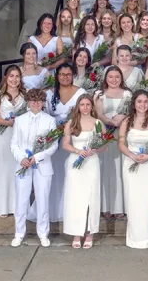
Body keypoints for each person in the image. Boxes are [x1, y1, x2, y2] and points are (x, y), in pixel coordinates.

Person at [10, 88, 58, 248]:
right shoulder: (20, 120)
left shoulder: (49, 120)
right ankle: (19, 233)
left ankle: (43, 233)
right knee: (21, 200)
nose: (36, 103)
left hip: (42, 165)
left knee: (42, 200)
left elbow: (53, 146)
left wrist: (37, 157)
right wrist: (21, 158)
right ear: (28, 102)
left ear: (42, 102)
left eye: (39, 100)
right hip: (23, 164)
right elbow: (14, 143)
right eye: (32, 100)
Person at [118, 90, 148, 249]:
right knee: (132, 199)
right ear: (134, 104)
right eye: (139, 101)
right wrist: (131, 155)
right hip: (130, 163)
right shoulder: (126, 122)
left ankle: (145, 238)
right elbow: (121, 143)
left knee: (147, 199)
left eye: (145, 102)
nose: (142, 105)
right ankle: (133, 238)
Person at [62, 94, 106, 249]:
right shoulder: (71, 123)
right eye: (82, 104)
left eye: (88, 104)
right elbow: (65, 144)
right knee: (75, 198)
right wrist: (77, 150)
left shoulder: (98, 123)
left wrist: (95, 149)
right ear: (78, 107)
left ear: (92, 107)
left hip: (91, 163)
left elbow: (104, 145)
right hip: (75, 163)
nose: (85, 107)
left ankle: (89, 232)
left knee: (91, 197)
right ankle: (76, 232)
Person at [44, 63, 86, 222]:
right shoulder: (49, 94)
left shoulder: (81, 92)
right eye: (62, 74)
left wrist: (69, 127)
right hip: (54, 137)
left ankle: (72, 209)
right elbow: (46, 115)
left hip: (73, 137)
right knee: (55, 173)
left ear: (73, 75)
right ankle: (54, 209)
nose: (65, 77)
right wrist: (56, 127)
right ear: (57, 76)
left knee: (71, 173)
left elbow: (84, 113)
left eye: (68, 74)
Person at [0, 65, 26, 217]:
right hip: (2, 136)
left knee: (17, 168)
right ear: (6, 77)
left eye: (17, 76)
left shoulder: (25, 94)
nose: (14, 79)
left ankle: (16, 205)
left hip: (20, 136)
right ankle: (2, 206)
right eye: (11, 76)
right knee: (3, 169)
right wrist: (9, 123)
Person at [95, 66, 132, 218]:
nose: (114, 80)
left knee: (119, 170)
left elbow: (131, 113)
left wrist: (120, 122)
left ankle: (119, 207)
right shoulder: (99, 94)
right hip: (104, 133)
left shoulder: (128, 94)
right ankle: (105, 207)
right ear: (105, 78)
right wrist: (109, 121)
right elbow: (97, 114)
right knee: (105, 170)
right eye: (110, 77)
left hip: (121, 134)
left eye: (117, 77)